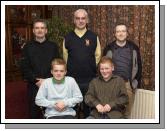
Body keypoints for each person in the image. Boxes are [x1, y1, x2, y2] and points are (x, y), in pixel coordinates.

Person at [63, 9, 101, 118]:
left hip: (89, 80)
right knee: (71, 110)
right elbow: (65, 57)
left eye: (83, 18)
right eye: (78, 18)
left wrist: (89, 65)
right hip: (72, 81)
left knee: (88, 109)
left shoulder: (94, 36)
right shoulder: (67, 37)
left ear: (87, 20)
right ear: (74, 20)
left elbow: (97, 55)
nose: (80, 21)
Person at [21, 19, 60, 119]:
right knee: (33, 114)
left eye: (42, 28)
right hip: (33, 85)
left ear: (46, 31)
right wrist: (36, 80)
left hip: (51, 85)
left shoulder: (53, 46)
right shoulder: (27, 47)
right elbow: (24, 67)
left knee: (51, 113)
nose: (40, 30)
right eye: (37, 28)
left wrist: (47, 80)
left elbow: (58, 66)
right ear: (33, 31)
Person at [103, 23, 142, 118]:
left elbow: (139, 67)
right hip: (112, 85)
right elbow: (102, 67)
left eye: (123, 31)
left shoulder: (134, 48)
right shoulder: (109, 48)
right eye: (118, 31)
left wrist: (135, 83)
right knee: (111, 113)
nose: (121, 33)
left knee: (126, 114)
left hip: (128, 85)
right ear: (115, 34)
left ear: (127, 33)